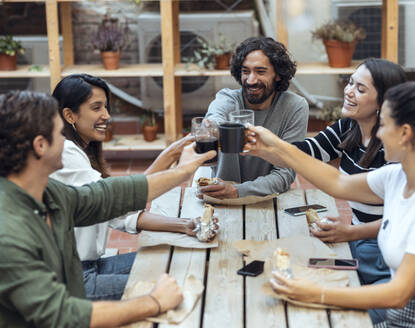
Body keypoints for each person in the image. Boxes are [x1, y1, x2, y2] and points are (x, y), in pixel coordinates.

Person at [245, 79, 415, 327]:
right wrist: (273, 146)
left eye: (383, 125)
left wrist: (314, 293)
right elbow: (337, 182)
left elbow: (397, 294)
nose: (378, 133)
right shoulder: (397, 177)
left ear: (405, 133)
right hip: (402, 314)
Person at [0, 90, 216, 327]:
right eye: (58, 133)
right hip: (72, 305)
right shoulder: (8, 233)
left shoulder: (47, 192)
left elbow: (106, 197)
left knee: (184, 267)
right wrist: (153, 301)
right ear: (41, 145)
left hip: (75, 287)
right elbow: (61, 316)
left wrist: (181, 172)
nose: (64, 140)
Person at [50, 74, 217, 301]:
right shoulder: (65, 154)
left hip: (89, 266)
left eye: (106, 107)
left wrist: (186, 225)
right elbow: (117, 199)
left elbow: (119, 213)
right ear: (69, 115)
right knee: (179, 287)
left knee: (176, 261)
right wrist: (175, 163)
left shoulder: (79, 152)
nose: (106, 116)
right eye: (96, 108)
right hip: (71, 281)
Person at [293, 58, 407, 324]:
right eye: (350, 82)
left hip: (383, 257)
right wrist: (261, 142)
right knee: (301, 272)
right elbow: (307, 153)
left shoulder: (393, 148)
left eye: (361, 88)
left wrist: (351, 232)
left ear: (383, 103)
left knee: (330, 313)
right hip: (358, 247)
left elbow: (399, 219)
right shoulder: (349, 127)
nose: (348, 90)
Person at [199, 36, 309, 199]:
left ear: (278, 75)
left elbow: (285, 173)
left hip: (267, 199)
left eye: (260, 72)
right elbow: (215, 118)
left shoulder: (295, 107)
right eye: (245, 71)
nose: (251, 80)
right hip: (221, 198)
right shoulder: (227, 98)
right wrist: (211, 128)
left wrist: (238, 191)